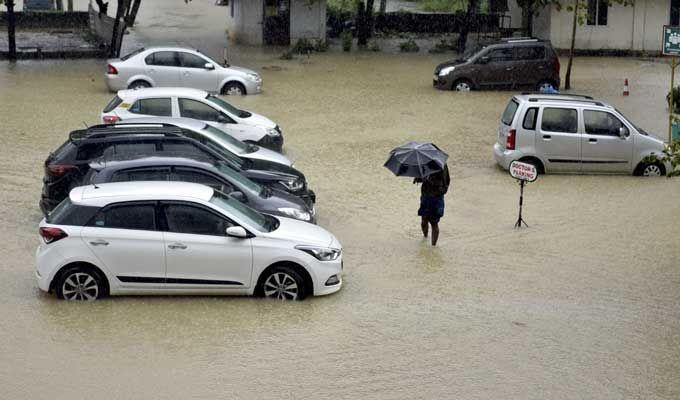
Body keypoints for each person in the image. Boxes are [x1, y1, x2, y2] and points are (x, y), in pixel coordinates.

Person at [414, 164, 450, 246]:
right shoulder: (424, 163)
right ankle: (425, 239)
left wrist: (430, 180)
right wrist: (419, 179)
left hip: (436, 198)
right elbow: (423, 177)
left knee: (434, 223)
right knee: (424, 220)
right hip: (425, 196)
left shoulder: (441, 165)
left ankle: (433, 246)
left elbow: (445, 183)